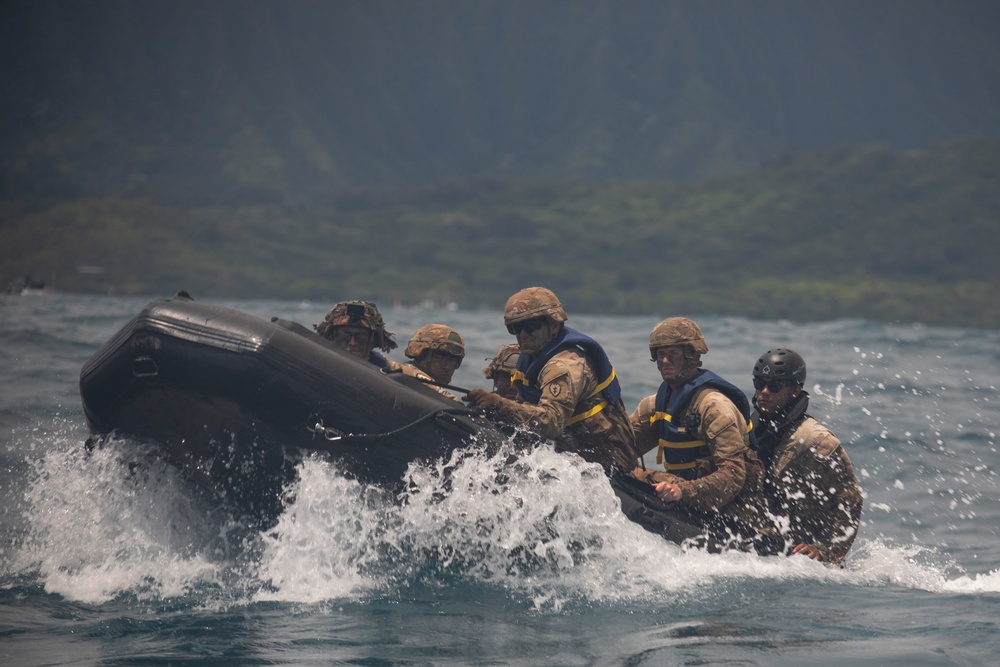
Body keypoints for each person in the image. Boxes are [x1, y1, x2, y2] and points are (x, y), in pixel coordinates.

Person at [464, 287, 638, 475]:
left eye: (531, 326)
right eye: (515, 328)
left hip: (608, 457)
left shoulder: (564, 366)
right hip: (571, 445)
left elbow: (550, 422)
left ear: (554, 325)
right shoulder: (532, 357)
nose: (522, 335)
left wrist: (498, 404)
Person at [630, 317, 770, 548]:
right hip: (687, 497)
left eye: (673, 354)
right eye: (659, 354)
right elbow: (621, 446)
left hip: (732, 513)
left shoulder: (715, 408)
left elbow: (734, 476)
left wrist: (681, 491)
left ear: (691, 354)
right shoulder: (655, 405)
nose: (664, 361)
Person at [750, 348, 863, 564]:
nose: (764, 392)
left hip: (799, 554)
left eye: (774, 386)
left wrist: (825, 551)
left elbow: (851, 499)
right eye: (759, 384)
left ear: (795, 390)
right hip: (763, 536)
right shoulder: (755, 429)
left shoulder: (816, 440)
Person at [314, 300, 400, 370]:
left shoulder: (386, 369)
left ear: (373, 341)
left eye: (361, 337)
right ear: (332, 336)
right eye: (345, 336)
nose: (352, 343)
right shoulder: (316, 362)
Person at [401, 323, 466, 400]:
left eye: (452, 360)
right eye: (440, 357)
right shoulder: (406, 378)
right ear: (422, 355)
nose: (447, 366)